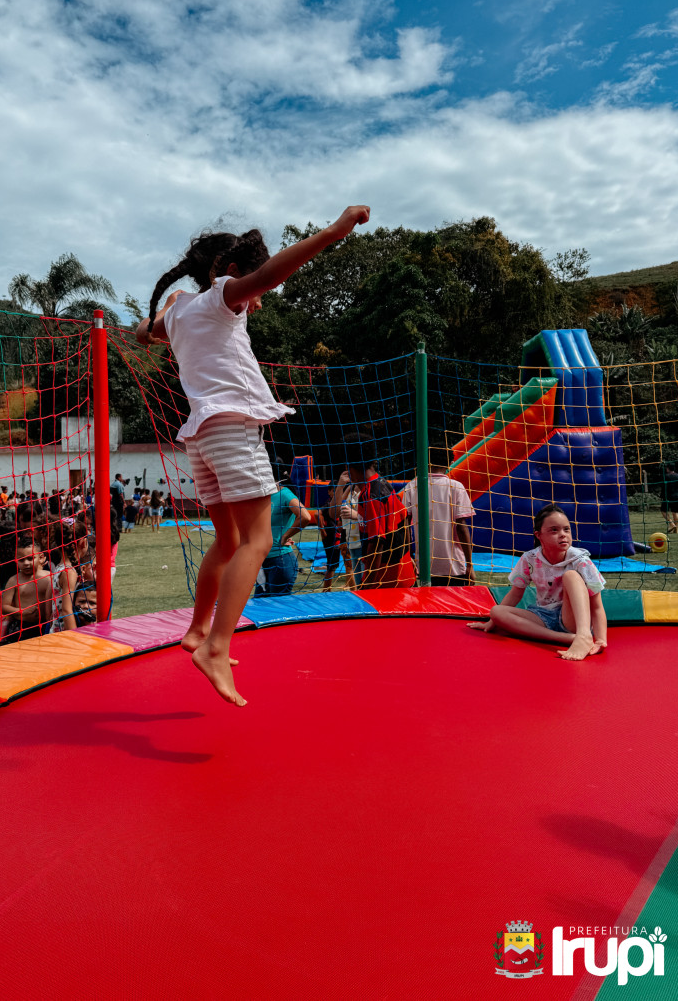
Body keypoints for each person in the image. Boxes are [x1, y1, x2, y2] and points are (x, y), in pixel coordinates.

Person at [136, 203, 370, 705]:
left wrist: (167, 307)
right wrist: (334, 231)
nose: (259, 296)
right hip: (231, 429)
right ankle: (216, 647)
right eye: (251, 285)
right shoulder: (222, 294)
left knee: (228, 539)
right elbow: (269, 274)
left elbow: (142, 332)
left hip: (199, 437)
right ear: (229, 272)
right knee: (258, 540)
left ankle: (198, 630)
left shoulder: (179, 311)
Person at [467, 503, 608, 661]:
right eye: (554, 530)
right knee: (496, 611)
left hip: (572, 619)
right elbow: (515, 593)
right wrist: (492, 623)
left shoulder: (580, 560)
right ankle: (565, 638)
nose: (562, 534)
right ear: (538, 535)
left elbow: (596, 605)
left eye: (566, 529)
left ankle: (583, 636)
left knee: (571, 576)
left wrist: (601, 639)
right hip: (543, 616)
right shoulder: (530, 558)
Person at [344, 432, 415, 589]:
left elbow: (376, 543)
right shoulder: (383, 484)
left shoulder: (371, 495)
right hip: (401, 572)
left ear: (349, 466)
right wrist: (410, 557)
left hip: (387, 580)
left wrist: (368, 585)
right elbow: (405, 522)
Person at [401, 451, 475, 586]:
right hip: (453, 566)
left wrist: (408, 557)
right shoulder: (456, 487)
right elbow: (461, 526)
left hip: (424, 566)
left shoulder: (412, 487)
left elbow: (405, 526)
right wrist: (469, 564)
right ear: (450, 463)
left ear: (426, 462)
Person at [255, 473, 311, 595]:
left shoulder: (284, 494)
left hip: (281, 559)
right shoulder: (262, 496)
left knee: (277, 603)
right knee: (260, 602)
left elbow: (305, 517)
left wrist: (285, 535)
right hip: (261, 560)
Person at [0, 534, 53, 642]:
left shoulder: (49, 577)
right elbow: (4, 607)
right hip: (21, 627)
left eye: (30, 558)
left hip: (44, 625)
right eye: (21, 560)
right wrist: (23, 611)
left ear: (41, 557)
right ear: (16, 560)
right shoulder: (14, 580)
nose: (26, 563)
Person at [661, 466, 678, 534]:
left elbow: (664, 487)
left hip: (668, 496)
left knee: (663, 511)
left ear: (668, 468)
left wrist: (662, 496)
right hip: (677, 496)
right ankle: (676, 529)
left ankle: (671, 524)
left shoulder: (666, 476)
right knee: (675, 512)